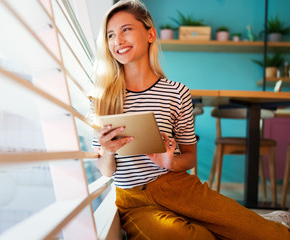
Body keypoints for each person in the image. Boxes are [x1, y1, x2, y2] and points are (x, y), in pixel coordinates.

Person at [91, 0, 290, 239]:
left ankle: (265, 222)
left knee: (273, 236)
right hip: (135, 201)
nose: (118, 41)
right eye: (110, 34)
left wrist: (169, 162)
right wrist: (107, 150)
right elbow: (105, 171)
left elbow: (189, 157)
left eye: (126, 29)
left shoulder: (177, 92)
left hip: (178, 185)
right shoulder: (103, 98)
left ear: (151, 34)